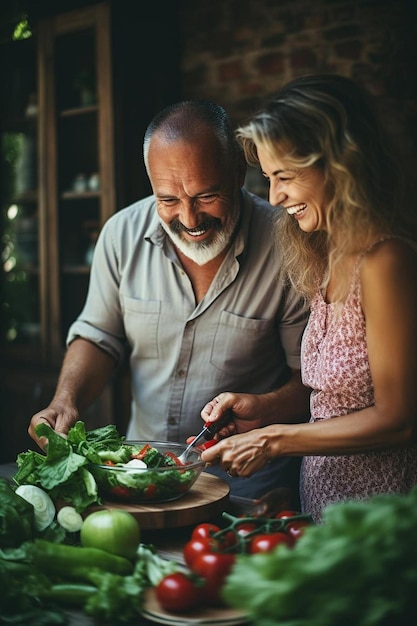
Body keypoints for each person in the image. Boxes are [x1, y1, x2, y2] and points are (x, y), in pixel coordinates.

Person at [28, 99, 310, 504]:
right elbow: (99, 336)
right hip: (138, 477)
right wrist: (64, 401)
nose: (190, 219)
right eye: (169, 200)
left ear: (238, 173)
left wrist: (265, 407)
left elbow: (311, 383)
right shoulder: (120, 234)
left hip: (247, 488)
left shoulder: (288, 245)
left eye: (207, 195)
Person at [199, 75, 417, 522]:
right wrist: (261, 411)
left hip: (380, 520)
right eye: (268, 178)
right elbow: (333, 400)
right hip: (328, 515)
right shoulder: (329, 251)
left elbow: (400, 419)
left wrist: (274, 441)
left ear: (340, 165)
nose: (275, 197)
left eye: (285, 177)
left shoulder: (385, 260)